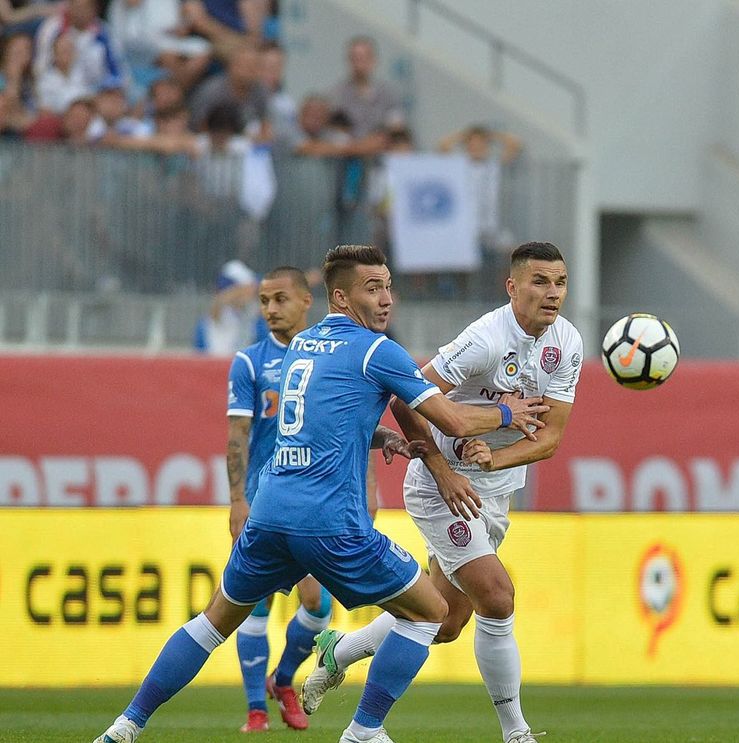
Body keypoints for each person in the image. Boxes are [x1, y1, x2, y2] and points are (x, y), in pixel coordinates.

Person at [94, 244, 550, 743]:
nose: (386, 300)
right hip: (330, 522)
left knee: (213, 622)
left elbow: (324, 421)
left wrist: (381, 438)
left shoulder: (302, 346)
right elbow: (456, 420)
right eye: (372, 289)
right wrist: (509, 413)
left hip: (270, 511)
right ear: (340, 296)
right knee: (430, 613)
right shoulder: (377, 350)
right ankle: (364, 730)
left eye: (389, 287)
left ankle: (125, 725)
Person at [301, 241, 582, 743]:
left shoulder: (569, 343)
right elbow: (408, 394)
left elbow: (550, 439)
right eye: (540, 282)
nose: (553, 292)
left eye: (560, 282)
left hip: (493, 491)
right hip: (442, 488)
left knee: (447, 621)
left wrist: (495, 458)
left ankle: (337, 651)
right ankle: (516, 733)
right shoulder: (485, 340)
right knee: (498, 596)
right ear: (512, 286)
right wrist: (442, 465)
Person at [225, 266, 329, 733]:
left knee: (318, 604)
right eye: (264, 300)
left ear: (306, 302)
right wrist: (236, 499)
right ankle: (255, 710)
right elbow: (237, 437)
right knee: (255, 601)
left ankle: (283, 678)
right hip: (261, 501)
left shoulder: (327, 358)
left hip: (308, 501)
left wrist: (366, 487)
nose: (269, 309)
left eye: (279, 299)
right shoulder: (249, 362)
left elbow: (347, 429)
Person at [331, 35, 403, 139]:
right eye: (355, 58)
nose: (360, 63)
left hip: (381, 149)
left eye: (364, 58)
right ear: (348, 60)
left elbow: (397, 125)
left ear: (374, 60)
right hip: (349, 151)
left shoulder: (387, 93)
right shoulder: (337, 94)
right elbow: (335, 134)